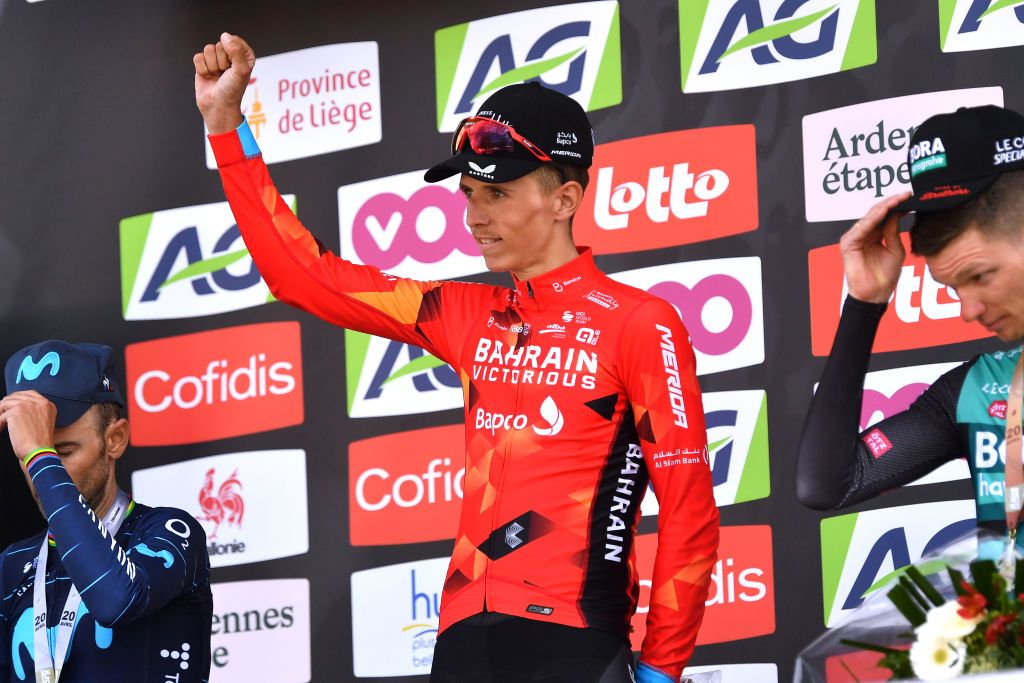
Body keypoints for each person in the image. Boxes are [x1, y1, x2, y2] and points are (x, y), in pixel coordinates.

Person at [194, 32, 718, 683]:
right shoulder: (466, 313)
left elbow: (689, 510)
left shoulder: (641, 323)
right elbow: (300, 275)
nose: (474, 216)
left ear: (564, 200)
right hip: (463, 643)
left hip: (576, 641)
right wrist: (227, 128)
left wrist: (663, 669)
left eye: (496, 195)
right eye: (470, 194)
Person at [797, 105, 1024, 553]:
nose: (969, 309)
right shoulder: (978, 388)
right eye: (952, 287)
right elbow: (824, 484)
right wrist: (864, 304)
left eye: (980, 276)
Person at [0, 341, 212, 682]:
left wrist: (39, 454)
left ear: (116, 438)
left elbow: (117, 600)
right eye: (26, 456)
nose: (39, 472)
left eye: (62, 452)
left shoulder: (169, 530)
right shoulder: (12, 563)